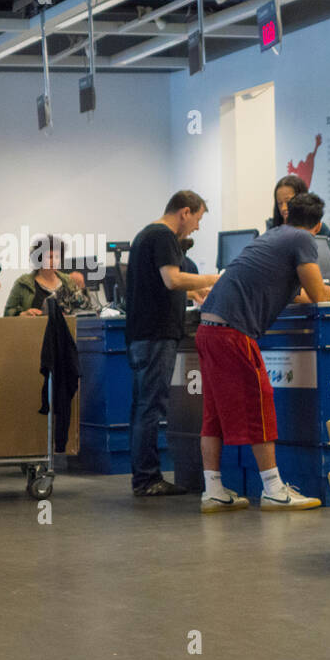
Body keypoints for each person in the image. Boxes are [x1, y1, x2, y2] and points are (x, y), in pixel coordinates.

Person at [196, 193, 330, 513]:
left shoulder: (272, 237)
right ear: (318, 225)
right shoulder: (303, 239)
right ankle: (273, 489)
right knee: (260, 402)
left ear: (285, 215)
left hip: (208, 329)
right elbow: (318, 294)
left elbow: (292, 295)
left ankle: (213, 490)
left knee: (213, 413)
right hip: (233, 333)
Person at [125, 191, 220, 498]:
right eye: (198, 219)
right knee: (150, 407)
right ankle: (148, 479)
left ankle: (144, 476)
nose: (196, 228)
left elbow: (161, 283)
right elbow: (172, 279)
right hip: (156, 335)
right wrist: (213, 280)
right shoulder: (164, 236)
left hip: (143, 334)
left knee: (143, 407)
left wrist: (190, 294)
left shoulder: (146, 235)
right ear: (185, 212)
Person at [3, 235, 91, 317]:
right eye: (50, 257)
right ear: (39, 259)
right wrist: (23, 314)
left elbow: (85, 307)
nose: (54, 261)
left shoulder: (68, 281)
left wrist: (82, 288)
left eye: (57, 257)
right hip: (34, 331)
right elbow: (7, 313)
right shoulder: (23, 283)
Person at [268, 175, 330, 259]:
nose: (283, 208)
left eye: (288, 201)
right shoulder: (272, 231)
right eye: (279, 203)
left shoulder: (322, 231)